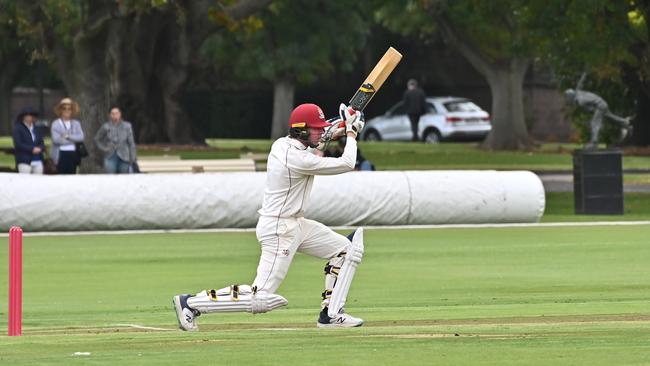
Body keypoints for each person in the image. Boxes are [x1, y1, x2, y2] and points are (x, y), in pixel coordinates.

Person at [173, 103, 367, 331]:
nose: (320, 132)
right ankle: (191, 303)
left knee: (346, 250)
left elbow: (322, 137)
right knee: (261, 296)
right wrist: (351, 133)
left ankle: (331, 314)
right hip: (279, 229)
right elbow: (347, 163)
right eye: (315, 128)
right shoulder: (298, 159)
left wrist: (343, 126)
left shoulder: (282, 145)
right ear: (302, 131)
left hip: (296, 224)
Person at [565, 73, 632, 148]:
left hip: (599, 105)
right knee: (611, 118)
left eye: (567, 97)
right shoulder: (577, 92)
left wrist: (595, 117)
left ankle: (594, 143)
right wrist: (584, 74)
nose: (567, 99)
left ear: (571, 96)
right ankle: (626, 123)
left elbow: (591, 110)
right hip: (602, 103)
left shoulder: (580, 101)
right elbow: (580, 83)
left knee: (594, 123)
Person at [94, 106, 137, 174]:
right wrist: (104, 148)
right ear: (110, 115)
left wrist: (133, 158)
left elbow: (131, 143)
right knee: (111, 179)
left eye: (116, 113)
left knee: (124, 179)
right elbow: (97, 139)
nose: (115, 115)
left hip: (124, 157)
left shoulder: (127, 126)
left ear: (120, 114)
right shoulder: (106, 126)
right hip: (110, 157)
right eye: (112, 113)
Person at [51, 98, 85, 174]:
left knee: (71, 177)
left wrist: (68, 137)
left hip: (73, 154)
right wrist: (73, 140)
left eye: (69, 109)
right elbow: (56, 140)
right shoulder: (56, 123)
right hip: (60, 154)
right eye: (64, 108)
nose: (67, 110)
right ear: (60, 110)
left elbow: (81, 137)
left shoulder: (76, 123)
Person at [12, 107, 45, 174]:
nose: (29, 117)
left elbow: (41, 142)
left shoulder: (37, 128)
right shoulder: (18, 128)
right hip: (24, 160)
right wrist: (32, 149)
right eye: (27, 115)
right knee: (25, 182)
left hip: (38, 160)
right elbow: (18, 144)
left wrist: (40, 148)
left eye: (31, 115)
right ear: (23, 117)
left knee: (38, 181)